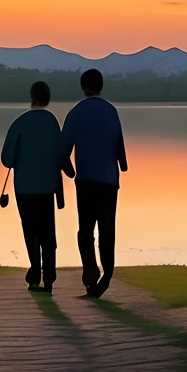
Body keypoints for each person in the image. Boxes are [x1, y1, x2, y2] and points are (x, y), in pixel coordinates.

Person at [2, 80, 72, 291]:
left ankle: (35, 274)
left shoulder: (19, 123)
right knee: (47, 232)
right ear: (48, 99)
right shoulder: (51, 122)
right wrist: (71, 172)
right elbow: (60, 153)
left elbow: (6, 159)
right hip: (46, 188)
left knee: (30, 230)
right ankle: (49, 277)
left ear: (32, 97)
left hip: (23, 189)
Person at [62, 67, 126, 297]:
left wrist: (69, 171)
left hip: (86, 180)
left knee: (86, 231)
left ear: (83, 87)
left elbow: (63, 149)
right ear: (101, 86)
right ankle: (107, 273)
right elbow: (119, 144)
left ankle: (90, 275)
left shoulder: (76, 112)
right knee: (107, 229)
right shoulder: (111, 111)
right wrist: (123, 164)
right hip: (109, 180)